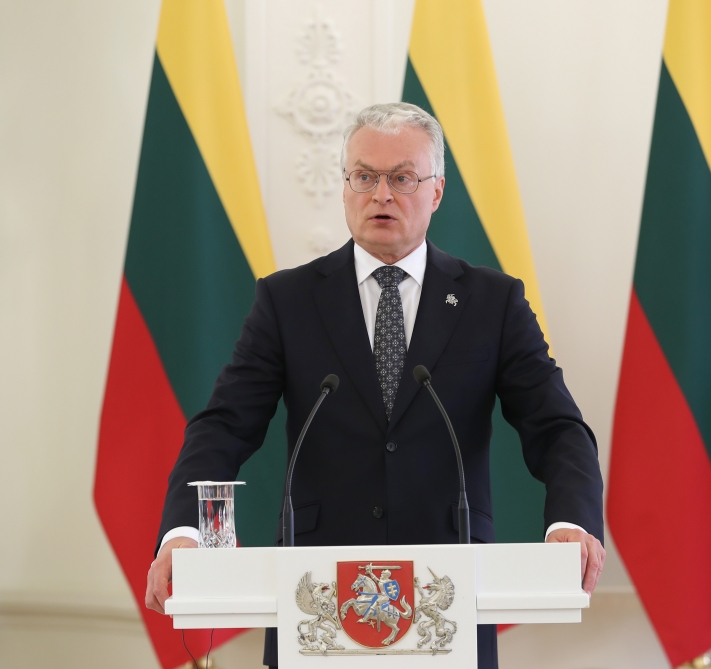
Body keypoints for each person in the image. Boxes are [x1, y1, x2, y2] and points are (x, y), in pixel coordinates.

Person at [145, 102, 605, 668]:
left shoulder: (492, 301)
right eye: (364, 176)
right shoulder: (288, 301)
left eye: (402, 178)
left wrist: (572, 520)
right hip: (316, 599)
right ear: (344, 188)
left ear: (436, 192)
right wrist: (183, 530)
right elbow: (223, 427)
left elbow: (556, 426)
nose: (381, 194)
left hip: (446, 597)